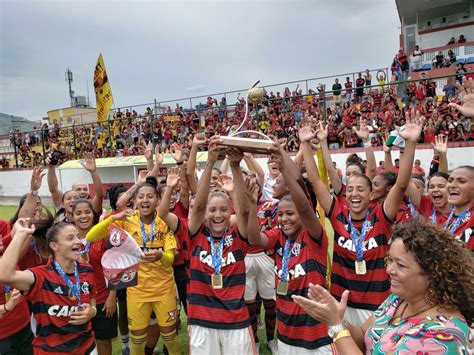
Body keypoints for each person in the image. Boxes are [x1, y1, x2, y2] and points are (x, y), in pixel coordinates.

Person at [301, 110, 424, 326]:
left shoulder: (381, 215)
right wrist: (306, 145)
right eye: (350, 190)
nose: (354, 194)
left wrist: (411, 144)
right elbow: (315, 180)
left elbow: (401, 184)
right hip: (343, 301)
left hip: (377, 303)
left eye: (361, 190)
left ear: (371, 195)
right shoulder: (337, 213)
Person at [292, 217, 473, 354]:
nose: (389, 270)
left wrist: (336, 326)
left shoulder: (443, 335)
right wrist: (340, 319)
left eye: (400, 265)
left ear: (433, 273)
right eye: (390, 260)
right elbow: (363, 335)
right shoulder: (397, 300)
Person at [246, 141, 334, 354]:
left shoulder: (313, 236)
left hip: (316, 333)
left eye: (290, 214)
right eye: (281, 214)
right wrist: (250, 204)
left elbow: (303, 205)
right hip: (286, 331)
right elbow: (254, 239)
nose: (284, 219)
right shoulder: (278, 237)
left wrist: (284, 166)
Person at [86, 176, 180, 355]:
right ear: (135, 201)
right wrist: (114, 219)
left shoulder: (164, 222)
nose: (145, 200)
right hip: (136, 291)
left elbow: (170, 259)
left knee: (169, 336)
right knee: (137, 339)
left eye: (150, 196)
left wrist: (160, 255)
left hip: (164, 290)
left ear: (158, 200)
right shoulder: (126, 220)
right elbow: (91, 237)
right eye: (141, 197)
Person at [184, 138, 257, 354]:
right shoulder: (196, 235)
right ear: (205, 213)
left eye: (224, 210)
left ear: (230, 211)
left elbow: (243, 212)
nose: (218, 215)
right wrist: (210, 162)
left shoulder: (238, 236)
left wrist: (235, 168)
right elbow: (197, 205)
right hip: (201, 321)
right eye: (212, 210)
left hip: (236, 321)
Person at [0, 220, 98, 354]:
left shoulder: (87, 269)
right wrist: (20, 234)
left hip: (87, 348)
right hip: (52, 351)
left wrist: (92, 311)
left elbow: (92, 298)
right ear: (54, 246)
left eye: (78, 236)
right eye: (70, 238)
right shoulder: (40, 276)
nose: (78, 241)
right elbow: (5, 275)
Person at [72, 199, 118, 355]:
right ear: (72, 216)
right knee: (79, 345)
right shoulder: (66, 238)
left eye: (87, 212)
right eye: (78, 213)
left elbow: (114, 267)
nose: (83, 216)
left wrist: (112, 296)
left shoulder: (104, 236)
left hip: (102, 299)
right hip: (75, 301)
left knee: (103, 343)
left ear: (93, 214)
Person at [47, 151, 105, 216]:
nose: (82, 191)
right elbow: (53, 189)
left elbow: (100, 196)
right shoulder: (65, 205)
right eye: (78, 189)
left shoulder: (91, 206)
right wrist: (51, 167)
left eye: (85, 189)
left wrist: (93, 172)